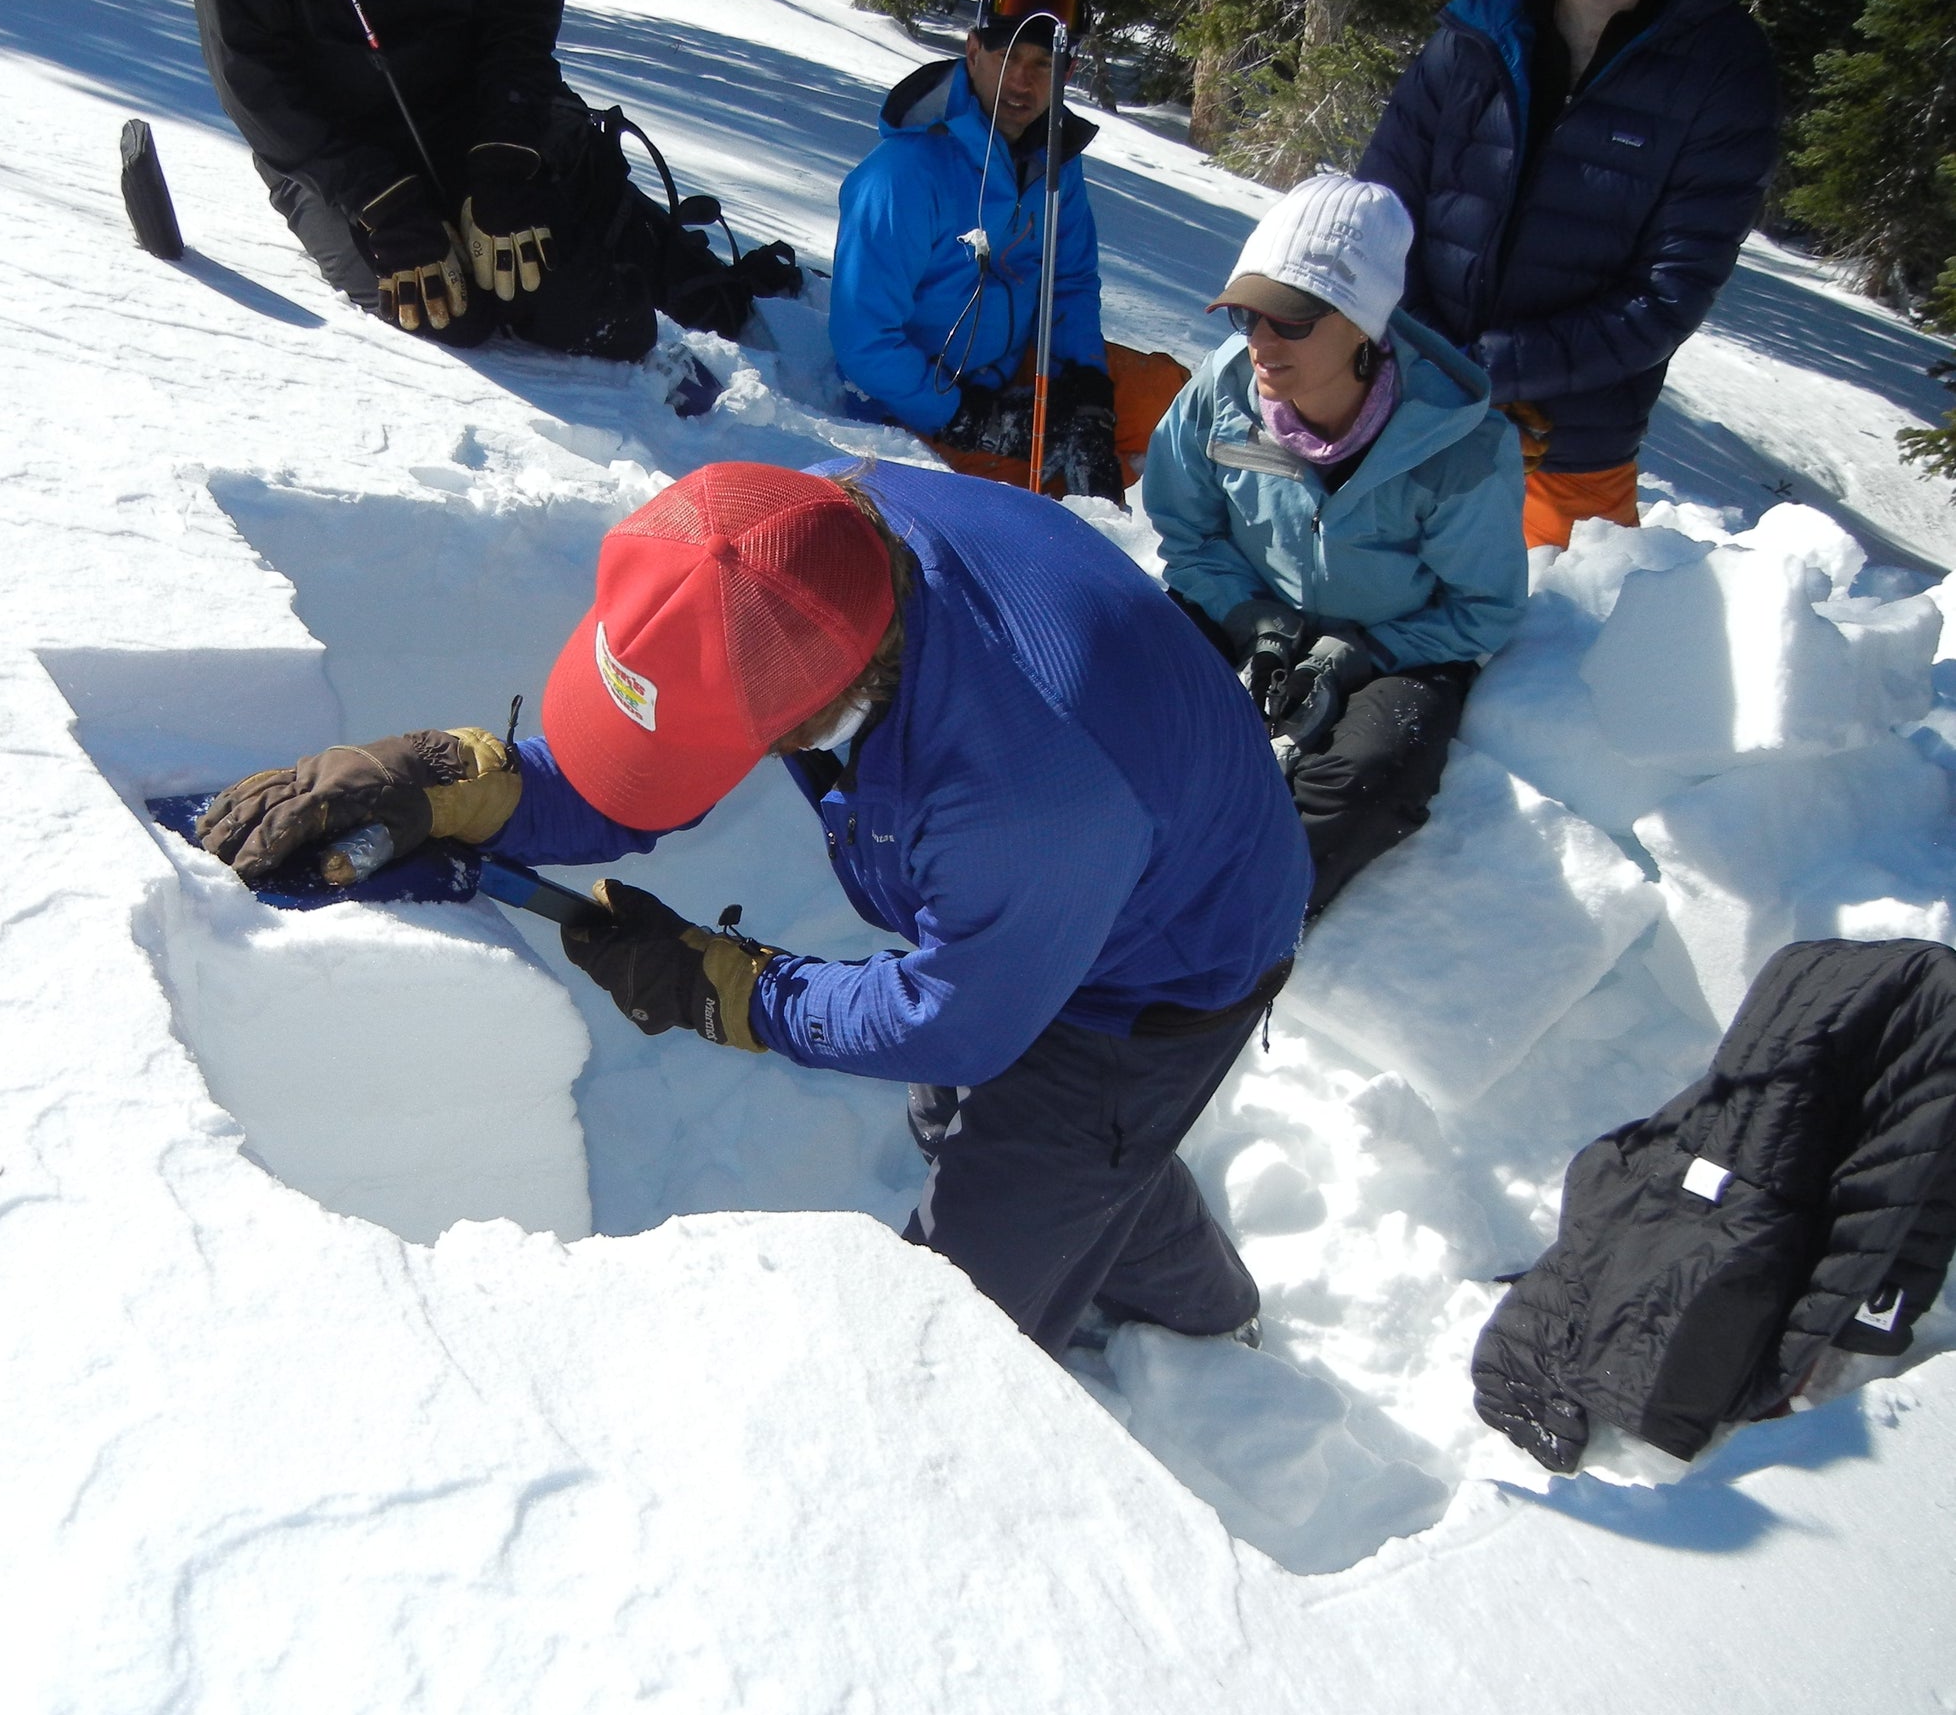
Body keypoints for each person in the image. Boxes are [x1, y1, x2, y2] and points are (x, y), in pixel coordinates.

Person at [193, 461, 1311, 1357]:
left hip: (1159, 966)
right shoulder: (783, 545)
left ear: (827, 699)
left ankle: (1209, 1332)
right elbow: (637, 756)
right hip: (1059, 874)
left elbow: (951, 1021)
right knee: (982, 1129)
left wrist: (730, 989)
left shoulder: (1026, 801)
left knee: (964, 1323)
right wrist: (457, 785)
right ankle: (1125, 1225)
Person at [1141, 175, 1527, 917]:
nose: (1259, 340)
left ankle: (1238, 924)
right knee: (1126, 680)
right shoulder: (1216, 396)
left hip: (1398, 643)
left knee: (1373, 771)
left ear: (1364, 324)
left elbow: (1482, 609)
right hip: (1248, 610)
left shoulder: (1462, 450)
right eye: (1247, 315)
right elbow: (1187, 532)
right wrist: (1247, 617)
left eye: (1289, 319)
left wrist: (1362, 654)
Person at [1356, 0, 1781, 549]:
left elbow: (1667, 295)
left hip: (1563, 456)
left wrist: (1480, 374)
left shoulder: (1724, 67)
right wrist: (1430, 365)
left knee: (1550, 641)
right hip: (1403, 419)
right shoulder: (1482, 19)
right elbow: (1378, 217)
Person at [187, 0, 785, 357]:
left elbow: (519, 17)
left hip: (479, 116)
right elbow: (254, 82)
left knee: (573, 310)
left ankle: (641, 237)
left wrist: (505, 159)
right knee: (449, 316)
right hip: (332, 157)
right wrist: (382, 204)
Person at [829, 0, 1191, 504]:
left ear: (1065, 72)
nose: (1023, 82)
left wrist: (1089, 397)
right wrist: (969, 418)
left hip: (1010, 369)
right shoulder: (903, 173)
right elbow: (864, 340)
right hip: (916, 400)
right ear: (973, 52)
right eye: (1008, 59)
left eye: (1043, 65)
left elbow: (1067, 285)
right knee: (1023, 505)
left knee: (1172, 404)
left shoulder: (1055, 165)